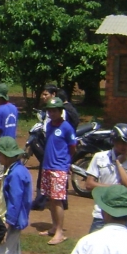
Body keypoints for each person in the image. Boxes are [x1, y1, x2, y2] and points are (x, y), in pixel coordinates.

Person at [84, 123, 127, 233]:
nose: (125, 146)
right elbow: (89, 184)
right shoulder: (99, 157)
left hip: (123, 215)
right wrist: (116, 189)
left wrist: (118, 163)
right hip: (101, 213)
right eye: (121, 142)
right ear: (114, 141)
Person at [40, 98, 77, 245]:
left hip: (59, 168)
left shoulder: (67, 127)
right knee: (50, 199)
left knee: (57, 200)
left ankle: (60, 232)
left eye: (54, 111)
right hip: (48, 166)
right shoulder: (49, 125)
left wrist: (65, 162)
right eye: (49, 111)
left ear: (60, 111)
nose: (51, 113)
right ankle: (54, 226)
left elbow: (72, 147)